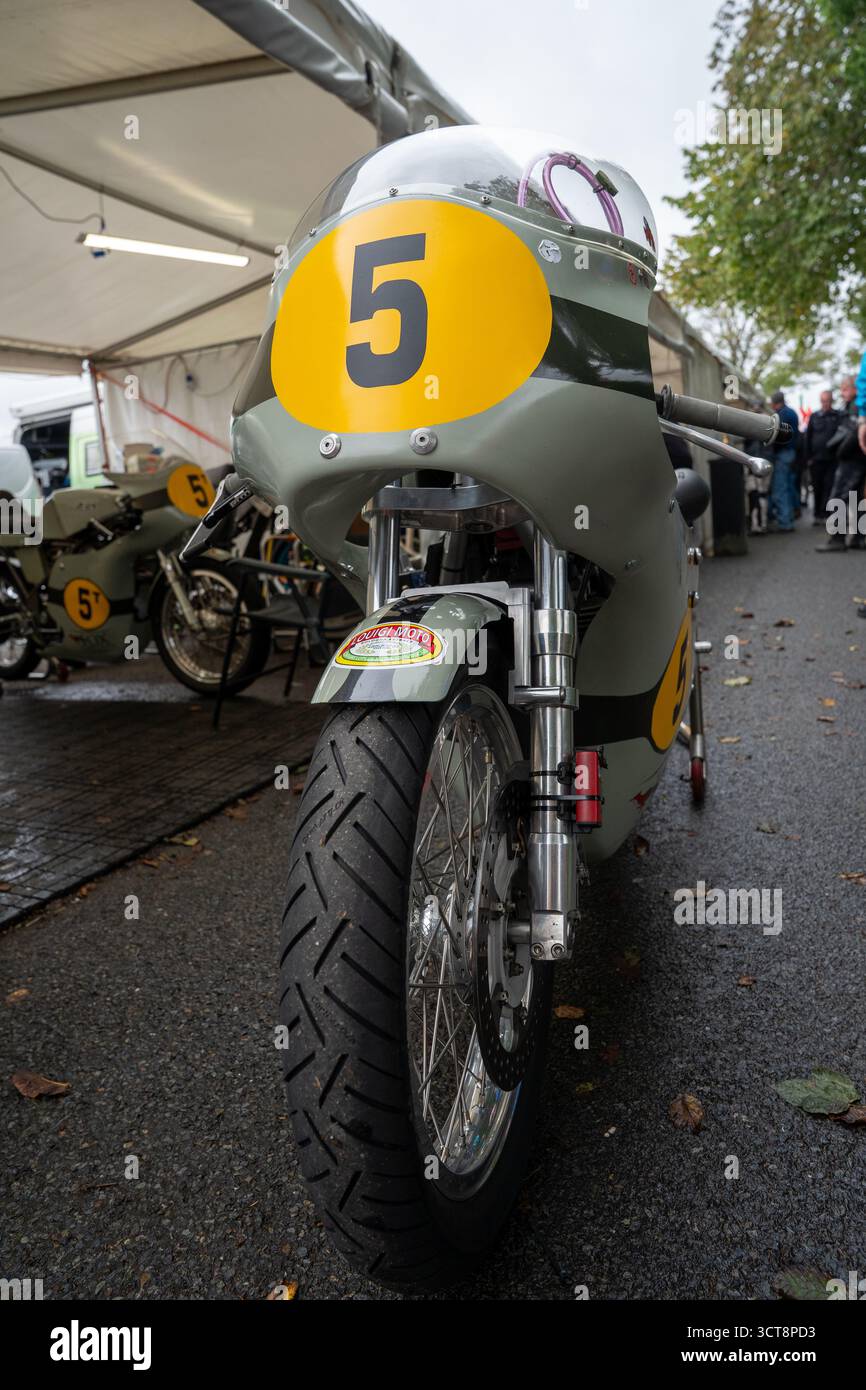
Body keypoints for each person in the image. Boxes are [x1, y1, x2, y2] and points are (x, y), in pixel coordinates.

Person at [816, 368, 866, 552]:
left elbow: (853, 433)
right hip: (858, 457)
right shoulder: (854, 407)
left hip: (852, 458)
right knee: (857, 498)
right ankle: (859, 538)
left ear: (855, 389)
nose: (842, 393)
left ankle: (837, 539)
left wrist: (839, 452)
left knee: (839, 497)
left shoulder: (856, 407)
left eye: (845, 389)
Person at [804, 389, 841, 524]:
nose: (825, 404)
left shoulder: (838, 416)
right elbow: (808, 438)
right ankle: (817, 515)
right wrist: (808, 458)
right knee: (817, 487)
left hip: (832, 460)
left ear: (831, 401)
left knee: (829, 487)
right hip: (816, 460)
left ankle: (826, 514)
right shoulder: (814, 416)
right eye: (823, 401)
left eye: (827, 401)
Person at [767, 389, 800, 532]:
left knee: (780, 489)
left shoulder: (782, 415)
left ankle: (785, 522)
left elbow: (777, 435)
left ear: (775, 403)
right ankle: (790, 517)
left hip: (783, 453)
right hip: (791, 453)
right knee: (787, 486)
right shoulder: (791, 412)